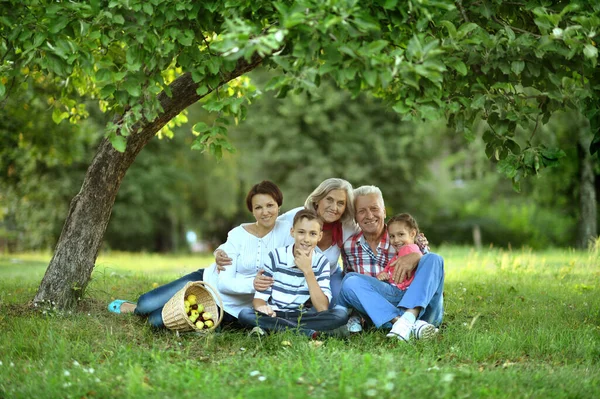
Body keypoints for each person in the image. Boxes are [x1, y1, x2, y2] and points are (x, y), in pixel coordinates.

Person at [107, 180, 294, 329]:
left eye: (270, 205)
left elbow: (311, 207)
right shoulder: (238, 234)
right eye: (258, 207)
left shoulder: (289, 231)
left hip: (228, 307)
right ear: (252, 210)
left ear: (279, 205)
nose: (265, 212)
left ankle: (162, 310)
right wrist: (252, 283)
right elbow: (225, 282)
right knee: (145, 304)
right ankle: (135, 308)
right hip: (208, 283)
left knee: (154, 322)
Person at [216, 178, 359, 305]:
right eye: (329, 199)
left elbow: (370, 232)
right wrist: (222, 250)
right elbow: (266, 225)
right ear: (318, 199)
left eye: (340, 203)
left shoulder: (348, 226)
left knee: (333, 305)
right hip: (294, 276)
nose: (334, 207)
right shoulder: (298, 216)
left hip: (326, 275)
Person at [338, 185, 444, 341]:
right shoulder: (348, 246)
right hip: (384, 307)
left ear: (384, 211)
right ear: (355, 217)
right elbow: (354, 293)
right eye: (362, 211)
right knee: (350, 282)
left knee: (434, 258)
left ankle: (408, 319)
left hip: (422, 308)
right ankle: (404, 325)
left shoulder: (402, 236)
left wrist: (417, 256)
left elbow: (432, 272)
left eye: (374, 208)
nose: (369, 215)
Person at [237, 209, 348, 338]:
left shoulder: (322, 262)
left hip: (303, 316)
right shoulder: (276, 257)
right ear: (292, 232)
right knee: (245, 314)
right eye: (301, 232)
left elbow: (322, 308)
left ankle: (273, 328)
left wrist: (308, 271)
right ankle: (307, 333)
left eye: (312, 234)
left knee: (340, 315)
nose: (306, 239)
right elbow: (259, 299)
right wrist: (263, 308)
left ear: (319, 236)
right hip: (274, 313)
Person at [376, 213, 421, 291]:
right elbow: (388, 269)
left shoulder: (409, 249)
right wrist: (383, 274)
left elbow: (402, 278)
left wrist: (389, 278)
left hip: (403, 291)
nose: (396, 240)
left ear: (412, 234)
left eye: (401, 234)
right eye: (392, 236)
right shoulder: (396, 256)